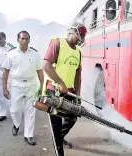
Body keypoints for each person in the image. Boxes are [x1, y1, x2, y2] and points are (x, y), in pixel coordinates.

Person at [42, 22, 87, 156]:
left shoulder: (78, 53)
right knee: (56, 125)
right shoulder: (57, 43)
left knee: (72, 117)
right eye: (82, 35)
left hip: (69, 92)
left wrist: (78, 96)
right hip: (54, 91)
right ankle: (59, 148)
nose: (83, 38)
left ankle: (59, 138)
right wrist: (60, 83)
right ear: (74, 32)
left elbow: (78, 76)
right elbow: (46, 65)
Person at [2, 30, 44, 145]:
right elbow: (5, 72)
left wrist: (42, 87)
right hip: (16, 85)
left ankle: (28, 135)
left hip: (31, 84)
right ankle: (16, 124)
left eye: (26, 39)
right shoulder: (11, 54)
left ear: (29, 40)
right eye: (22, 38)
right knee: (15, 110)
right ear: (18, 40)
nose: (24, 41)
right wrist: (4, 88)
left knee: (31, 110)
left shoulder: (35, 54)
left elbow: (40, 71)